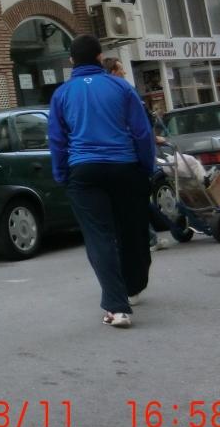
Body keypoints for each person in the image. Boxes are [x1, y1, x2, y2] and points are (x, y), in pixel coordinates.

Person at [49, 35, 156, 329]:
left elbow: (57, 140)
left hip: (84, 171)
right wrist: (146, 166)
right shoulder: (121, 87)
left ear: (72, 61)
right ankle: (133, 287)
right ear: (99, 57)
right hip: (125, 167)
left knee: (99, 237)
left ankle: (116, 308)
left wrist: (61, 174)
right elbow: (141, 132)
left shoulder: (62, 94)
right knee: (132, 230)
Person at [104, 57, 173, 252]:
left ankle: (147, 237)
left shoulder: (108, 95)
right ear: (113, 72)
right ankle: (151, 237)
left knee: (130, 200)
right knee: (137, 198)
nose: (124, 72)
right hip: (130, 155)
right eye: (120, 69)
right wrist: (148, 150)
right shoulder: (125, 92)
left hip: (117, 156)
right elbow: (140, 125)